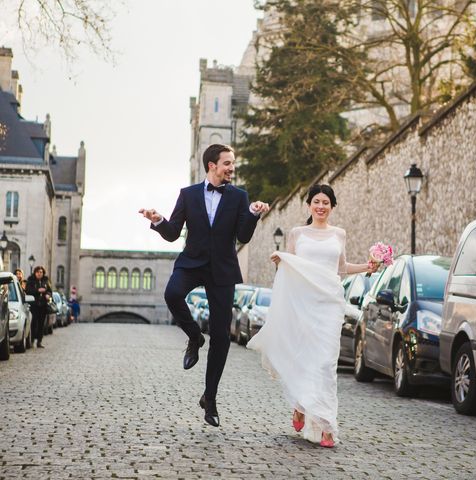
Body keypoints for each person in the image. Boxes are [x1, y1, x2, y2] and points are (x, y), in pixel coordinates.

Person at [139, 143, 269, 427]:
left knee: (222, 337)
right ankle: (195, 337)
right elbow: (174, 233)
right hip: (192, 262)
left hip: (222, 269)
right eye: (227, 163)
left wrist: (254, 214)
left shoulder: (238, 197)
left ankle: (210, 398)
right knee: (172, 293)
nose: (232, 168)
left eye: (233, 163)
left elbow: (243, 236)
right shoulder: (188, 195)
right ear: (212, 165)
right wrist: (158, 220)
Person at [247, 184, 377, 448]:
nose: (321, 206)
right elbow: (292, 266)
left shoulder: (339, 234)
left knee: (326, 364)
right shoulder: (297, 233)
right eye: (316, 201)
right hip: (303, 305)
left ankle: (327, 424)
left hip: (329, 304)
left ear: (332, 207)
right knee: (304, 357)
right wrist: (281, 259)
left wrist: (369, 266)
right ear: (309, 205)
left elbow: (340, 268)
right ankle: (300, 403)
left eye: (326, 203)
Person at [25, 266, 52, 349]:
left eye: (41, 272)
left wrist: (48, 294)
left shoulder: (46, 280)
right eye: (38, 272)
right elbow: (28, 290)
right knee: (33, 323)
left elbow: (50, 290)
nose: (39, 273)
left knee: (41, 324)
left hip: (43, 305)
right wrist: (37, 290)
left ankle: (39, 341)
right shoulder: (30, 280)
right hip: (34, 305)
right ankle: (32, 340)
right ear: (35, 273)